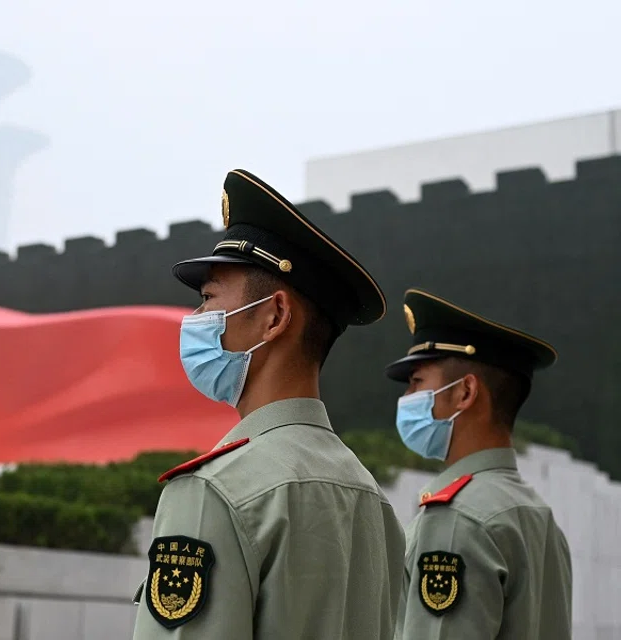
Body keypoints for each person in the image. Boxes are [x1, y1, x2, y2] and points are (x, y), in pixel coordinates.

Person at [130, 169, 405, 639]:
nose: (194, 319)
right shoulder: (373, 502)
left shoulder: (215, 490)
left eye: (208, 299)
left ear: (275, 316)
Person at [386, 288, 573, 639]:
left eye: (416, 383)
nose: (406, 399)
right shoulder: (536, 514)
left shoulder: (457, 518)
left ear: (465, 392)